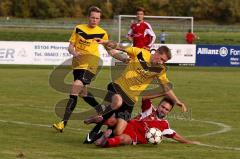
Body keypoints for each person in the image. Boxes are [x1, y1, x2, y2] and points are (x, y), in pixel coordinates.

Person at [83, 40, 187, 144]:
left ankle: (101, 133)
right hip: (118, 87)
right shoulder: (140, 53)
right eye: (161, 58)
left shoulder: (160, 69)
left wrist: (177, 101)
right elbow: (119, 47)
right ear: (156, 53)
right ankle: (98, 120)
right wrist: (105, 42)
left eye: (164, 61)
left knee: (119, 131)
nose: (161, 62)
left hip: (131, 99)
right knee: (118, 102)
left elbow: (166, 88)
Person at [52, 6, 127, 132]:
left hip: (92, 64)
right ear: (88, 17)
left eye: (97, 18)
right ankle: (100, 109)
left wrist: (123, 59)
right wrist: (75, 53)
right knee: (83, 93)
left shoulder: (102, 33)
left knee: (75, 87)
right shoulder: (78, 29)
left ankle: (63, 123)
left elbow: (111, 51)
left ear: (99, 19)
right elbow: (70, 47)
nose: (94, 20)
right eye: (92, 17)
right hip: (77, 64)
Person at [95, 97, 199, 147]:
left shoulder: (165, 125)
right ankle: (97, 121)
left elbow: (176, 136)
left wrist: (189, 142)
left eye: (166, 109)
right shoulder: (149, 109)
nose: (163, 110)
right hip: (128, 124)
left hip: (133, 137)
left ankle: (106, 141)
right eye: (162, 107)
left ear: (169, 112)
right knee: (114, 120)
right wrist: (166, 93)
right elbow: (145, 97)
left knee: (123, 139)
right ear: (158, 105)